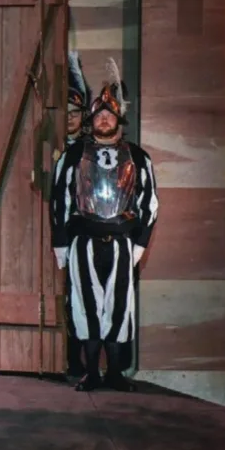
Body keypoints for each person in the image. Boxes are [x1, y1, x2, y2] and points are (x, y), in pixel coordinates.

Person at [49, 59, 159, 392]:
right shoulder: (72, 156)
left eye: (110, 115)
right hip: (83, 241)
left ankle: (114, 372)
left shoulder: (138, 157)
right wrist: (60, 245)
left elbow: (150, 204)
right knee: (85, 304)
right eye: (99, 115)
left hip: (122, 243)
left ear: (119, 120)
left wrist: (140, 244)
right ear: (91, 120)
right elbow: (59, 201)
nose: (104, 119)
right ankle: (91, 372)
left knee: (118, 305)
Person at [62, 51, 92, 378]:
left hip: (83, 232)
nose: (70, 118)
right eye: (66, 112)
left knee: (80, 296)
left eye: (75, 112)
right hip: (59, 231)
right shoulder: (52, 145)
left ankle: (77, 358)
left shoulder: (90, 148)